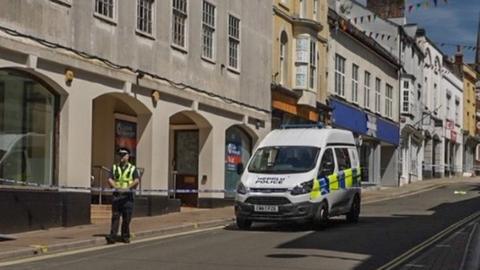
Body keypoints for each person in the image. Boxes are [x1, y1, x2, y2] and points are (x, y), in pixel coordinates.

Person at [105, 148, 140, 244]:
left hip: (128, 196)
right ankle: (112, 236)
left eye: (123, 155)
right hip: (117, 196)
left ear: (127, 156)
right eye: (120, 155)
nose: (121, 157)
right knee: (115, 217)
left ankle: (125, 236)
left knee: (126, 218)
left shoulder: (132, 168)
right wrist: (116, 187)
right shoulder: (115, 167)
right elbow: (110, 179)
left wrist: (127, 188)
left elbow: (136, 180)